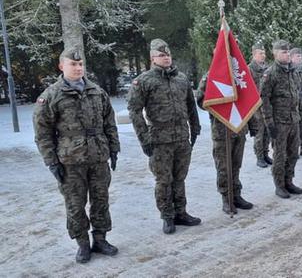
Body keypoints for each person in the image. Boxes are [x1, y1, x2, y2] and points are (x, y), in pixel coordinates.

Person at [33, 47, 120, 263]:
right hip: (70, 161)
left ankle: (100, 239)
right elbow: (43, 133)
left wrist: (114, 149)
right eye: (73, 64)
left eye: (81, 64)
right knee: (75, 204)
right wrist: (52, 161)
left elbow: (110, 123)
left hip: (98, 157)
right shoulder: (51, 96)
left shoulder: (97, 92)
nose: (78, 68)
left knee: (101, 200)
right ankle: (82, 243)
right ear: (62, 66)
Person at [128, 39, 202, 235]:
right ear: (153, 58)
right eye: (161, 55)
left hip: (181, 137)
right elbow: (134, 111)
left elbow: (191, 106)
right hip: (159, 140)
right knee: (163, 180)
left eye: (168, 55)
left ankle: (181, 212)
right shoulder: (144, 81)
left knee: (180, 177)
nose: (166, 58)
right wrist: (144, 138)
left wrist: (195, 128)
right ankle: (167, 216)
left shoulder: (181, 79)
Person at [196, 76, 254, 214]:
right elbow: (201, 101)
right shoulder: (212, 75)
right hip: (222, 130)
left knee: (236, 164)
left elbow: (249, 100)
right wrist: (221, 100)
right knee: (224, 167)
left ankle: (236, 195)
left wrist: (253, 124)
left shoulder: (239, 73)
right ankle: (227, 198)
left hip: (239, 127)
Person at [260, 40, 302, 198]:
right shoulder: (270, 73)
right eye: (283, 52)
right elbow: (264, 100)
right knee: (280, 155)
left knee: (293, 153)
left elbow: (296, 94)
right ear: (275, 54)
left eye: (287, 52)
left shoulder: (292, 71)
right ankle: (279, 185)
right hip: (279, 122)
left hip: (294, 119)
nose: (286, 54)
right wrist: (269, 122)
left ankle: (289, 181)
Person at [248, 43, 272, 168]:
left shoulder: (267, 68)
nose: (263, 55)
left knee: (267, 131)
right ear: (253, 55)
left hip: (267, 105)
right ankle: (259, 157)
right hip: (256, 106)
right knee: (259, 132)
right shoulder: (249, 69)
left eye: (264, 53)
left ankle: (266, 154)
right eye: (260, 53)